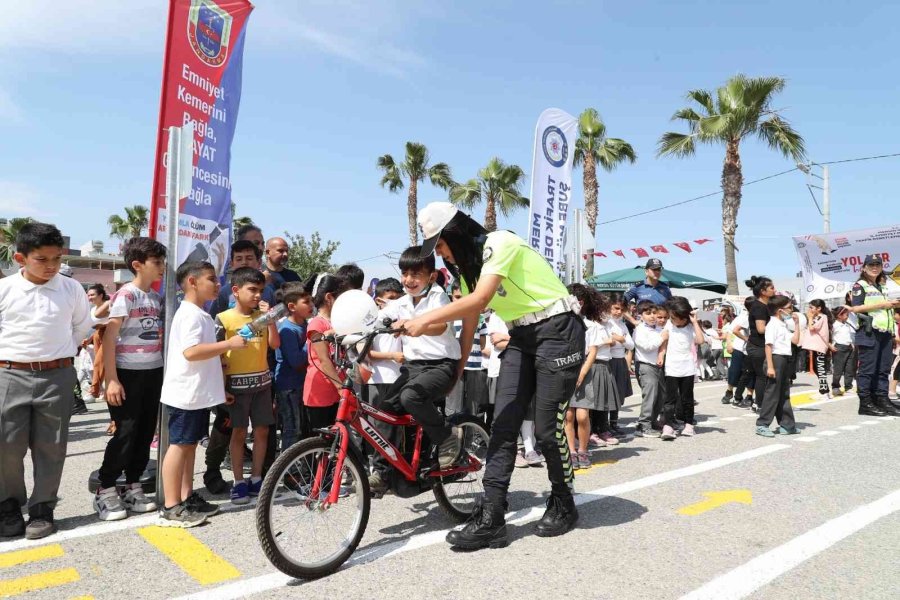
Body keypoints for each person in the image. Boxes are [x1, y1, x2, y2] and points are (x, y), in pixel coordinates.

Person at [404, 203, 585, 549]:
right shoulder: (468, 271)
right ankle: (492, 517)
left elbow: (481, 299)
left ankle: (564, 502)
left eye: (440, 244)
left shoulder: (500, 242)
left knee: (547, 429)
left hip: (558, 329)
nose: (439, 254)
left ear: (454, 233)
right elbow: (471, 319)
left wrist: (424, 319)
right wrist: (458, 369)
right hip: (521, 335)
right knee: (502, 425)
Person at [0, 222, 96, 540]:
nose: (51, 266)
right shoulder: (5, 290)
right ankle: (9, 507)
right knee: (6, 445)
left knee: (51, 446)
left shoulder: (71, 289)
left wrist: (60, 354)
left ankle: (42, 509)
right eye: (42, 259)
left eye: (56, 258)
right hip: (9, 374)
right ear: (20, 258)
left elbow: (82, 327)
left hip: (57, 375)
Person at [159, 262, 245, 527]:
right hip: (186, 394)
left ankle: (186, 497)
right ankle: (171, 505)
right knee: (179, 446)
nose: (217, 284)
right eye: (211, 279)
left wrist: (218, 390)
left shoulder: (199, 314)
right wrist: (229, 344)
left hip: (197, 393)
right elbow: (191, 352)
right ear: (192, 282)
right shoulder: (190, 315)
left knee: (189, 446)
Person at [94, 237, 167, 522]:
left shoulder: (156, 298)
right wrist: (111, 379)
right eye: (157, 262)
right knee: (125, 432)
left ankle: (133, 485)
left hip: (153, 371)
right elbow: (109, 337)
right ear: (137, 265)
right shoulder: (126, 294)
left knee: (146, 431)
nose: (162, 267)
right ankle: (105, 488)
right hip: (127, 372)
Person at [378, 247, 464, 470]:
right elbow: (375, 319)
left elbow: (440, 326)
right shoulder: (402, 302)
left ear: (432, 277)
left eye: (415, 274)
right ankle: (383, 470)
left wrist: (416, 325)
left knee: (410, 397)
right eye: (405, 273)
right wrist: (340, 330)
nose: (408, 280)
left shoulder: (438, 296)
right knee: (385, 409)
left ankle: (447, 436)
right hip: (412, 369)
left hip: (441, 366)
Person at [214, 267, 281, 505]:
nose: (257, 295)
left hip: (262, 383)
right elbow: (216, 356)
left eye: (260, 290)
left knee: (262, 431)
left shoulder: (262, 317)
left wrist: (270, 320)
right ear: (236, 290)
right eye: (252, 289)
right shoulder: (223, 318)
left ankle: (256, 478)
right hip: (236, 385)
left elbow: (274, 344)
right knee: (239, 433)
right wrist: (222, 387)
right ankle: (238, 482)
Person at [364, 278, 404, 494]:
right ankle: (380, 472)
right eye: (391, 298)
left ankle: (394, 474)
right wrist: (392, 356)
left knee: (397, 428)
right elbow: (367, 352)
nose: (395, 302)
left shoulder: (403, 318)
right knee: (381, 429)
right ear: (379, 300)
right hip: (381, 379)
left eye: (398, 298)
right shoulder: (373, 321)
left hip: (400, 377)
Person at [846, 254, 900, 416]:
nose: (875, 267)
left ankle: (881, 399)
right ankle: (865, 403)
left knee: (883, 369)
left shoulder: (882, 286)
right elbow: (855, 308)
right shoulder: (860, 285)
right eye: (871, 265)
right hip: (869, 332)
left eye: (878, 265)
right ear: (864, 268)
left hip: (885, 333)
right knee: (867, 370)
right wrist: (883, 304)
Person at [303, 273, 352, 431]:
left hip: (337, 388)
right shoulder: (317, 324)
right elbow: (324, 360)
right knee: (323, 439)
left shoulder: (337, 322)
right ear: (329, 298)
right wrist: (340, 389)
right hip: (321, 391)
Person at [565, 284, 602, 469]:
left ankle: (583, 450)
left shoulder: (591, 324)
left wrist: (582, 373)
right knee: (568, 416)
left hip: (583, 371)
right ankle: (571, 451)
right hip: (565, 370)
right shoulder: (562, 323)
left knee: (582, 416)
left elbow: (593, 351)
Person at [659, 296, 705, 440]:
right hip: (671, 367)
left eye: (674, 317)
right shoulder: (669, 324)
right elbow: (664, 341)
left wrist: (695, 322)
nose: (672, 319)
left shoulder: (691, 327)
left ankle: (689, 424)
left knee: (687, 398)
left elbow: (700, 340)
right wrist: (661, 355)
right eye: (671, 317)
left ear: (683, 317)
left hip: (687, 367)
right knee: (670, 399)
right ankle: (668, 426)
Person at [273, 282, 313, 451]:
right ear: (292, 306)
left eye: (311, 301)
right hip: (289, 387)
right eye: (306, 302)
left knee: (301, 427)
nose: (311, 305)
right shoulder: (287, 330)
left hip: (300, 384)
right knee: (292, 428)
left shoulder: (305, 324)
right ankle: (288, 464)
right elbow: (296, 361)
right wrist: (311, 339)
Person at [755, 295, 800, 437]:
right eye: (789, 307)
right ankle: (762, 424)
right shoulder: (772, 325)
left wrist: (797, 324)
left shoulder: (783, 324)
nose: (791, 310)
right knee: (772, 393)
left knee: (784, 393)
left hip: (784, 359)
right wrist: (770, 366)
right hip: (775, 359)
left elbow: (795, 341)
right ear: (780, 310)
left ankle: (787, 425)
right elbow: (768, 346)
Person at [447, 281, 489, 417]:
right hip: (454, 366)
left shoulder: (479, 319)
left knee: (473, 406)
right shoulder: (449, 318)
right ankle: (452, 430)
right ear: (451, 296)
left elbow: (482, 343)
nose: (462, 301)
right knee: (453, 406)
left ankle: (471, 429)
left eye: (466, 297)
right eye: (457, 297)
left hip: (475, 366)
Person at [744, 276, 776, 412]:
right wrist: (777, 327)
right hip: (758, 347)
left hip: (762, 345)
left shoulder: (765, 306)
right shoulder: (759, 307)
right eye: (772, 288)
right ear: (763, 291)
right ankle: (760, 404)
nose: (775, 290)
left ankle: (762, 403)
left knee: (764, 376)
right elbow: (761, 329)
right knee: (762, 376)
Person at [633, 301, 664, 437]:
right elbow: (647, 347)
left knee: (660, 396)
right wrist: (662, 338)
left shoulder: (659, 328)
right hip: (645, 365)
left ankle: (652, 421)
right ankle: (643, 425)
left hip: (658, 366)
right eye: (648, 313)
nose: (652, 316)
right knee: (650, 395)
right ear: (641, 315)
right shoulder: (639, 330)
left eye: (654, 313)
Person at [607, 297, 634, 435]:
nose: (618, 312)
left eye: (622, 309)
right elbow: (607, 342)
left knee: (618, 393)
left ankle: (614, 423)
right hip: (608, 361)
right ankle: (603, 425)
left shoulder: (622, 325)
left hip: (620, 361)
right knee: (608, 394)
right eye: (616, 308)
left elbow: (631, 345)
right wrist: (621, 340)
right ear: (609, 307)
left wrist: (621, 339)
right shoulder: (606, 323)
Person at [723, 298, 754, 406]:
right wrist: (729, 343)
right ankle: (729, 391)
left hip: (752, 350)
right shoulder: (743, 317)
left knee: (751, 373)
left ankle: (749, 395)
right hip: (739, 348)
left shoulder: (761, 315)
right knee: (734, 371)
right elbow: (730, 330)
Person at [801, 299, 833, 399]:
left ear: (819, 308)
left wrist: (810, 317)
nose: (809, 309)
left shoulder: (821, 316)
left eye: (811, 307)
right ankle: (824, 390)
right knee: (816, 368)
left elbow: (812, 328)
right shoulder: (818, 317)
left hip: (819, 346)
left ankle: (824, 392)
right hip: (816, 346)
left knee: (820, 368)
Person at [831, 307, 857, 396]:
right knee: (838, 369)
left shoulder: (847, 324)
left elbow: (848, 335)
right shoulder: (834, 325)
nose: (847, 316)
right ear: (839, 315)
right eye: (846, 315)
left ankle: (848, 387)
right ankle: (835, 387)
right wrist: (830, 345)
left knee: (849, 369)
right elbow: (829, 336)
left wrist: (852, 344)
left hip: (849, 347)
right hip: (839, 347)